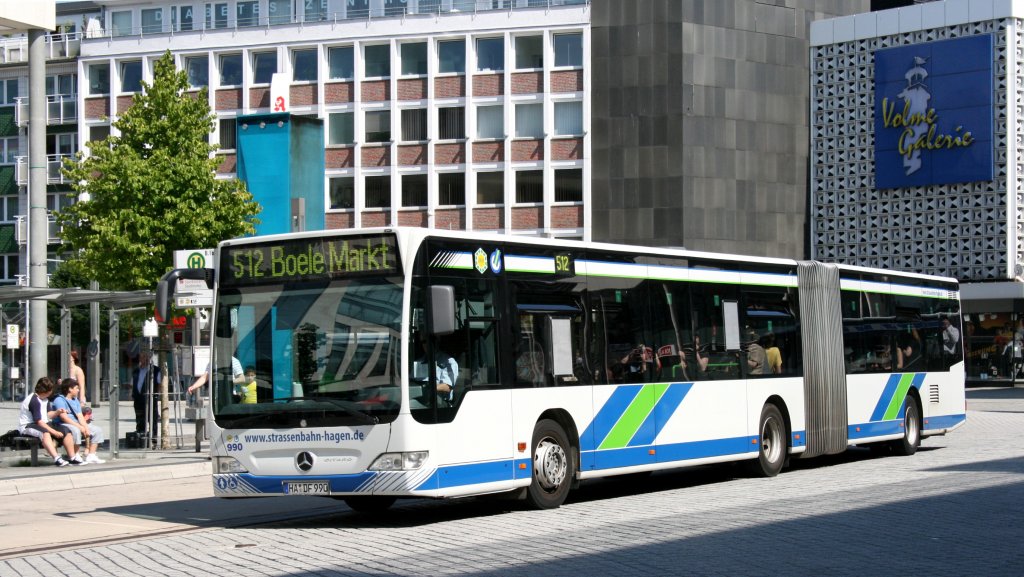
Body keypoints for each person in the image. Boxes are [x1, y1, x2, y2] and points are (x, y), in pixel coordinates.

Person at [17, 377, 76, 467]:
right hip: (28, 425)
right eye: (51, 389)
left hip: (43, 423)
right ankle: (57, 459)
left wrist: (57, 412)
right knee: (45, 433)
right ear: (47, 390)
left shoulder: (45, 399)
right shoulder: (34, 400)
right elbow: (39, 421)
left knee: (66, 430)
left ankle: (72, 457)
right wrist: (54, 432)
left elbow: (48, 415)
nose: (52, 391)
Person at [50, 379, 89, 465]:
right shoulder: (59, 400)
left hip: (75, 422)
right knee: (75, 430)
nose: (78, 390)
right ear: (70, 389)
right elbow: (64, 418)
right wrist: (79, 427)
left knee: (96, 430)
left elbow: (80, 416)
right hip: (63, 424)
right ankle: (74, 454)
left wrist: (85, 427)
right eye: (76, 388)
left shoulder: (75, 400)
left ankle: (91, 454)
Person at [416, 339, 458, 404]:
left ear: (436, 342)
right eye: (423, 342)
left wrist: (427, 388)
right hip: (421, 399)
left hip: (440, 404)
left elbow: (447, 387)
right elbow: (411, 382)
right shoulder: (419, 361)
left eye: (427, 341)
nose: (425, 345)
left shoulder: (448, 361)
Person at [132, 351, 161, 435]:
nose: (142, 359)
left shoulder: (155, 370)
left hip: (150, 398)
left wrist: (156, 395)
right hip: (138, 399)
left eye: (144, 357)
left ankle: (153, 437)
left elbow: (159, 384)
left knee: (152, 418)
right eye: (141, 357)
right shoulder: (136, 370)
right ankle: (141, 434)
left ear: (149, 358)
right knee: (140, 418)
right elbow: (134, 382)